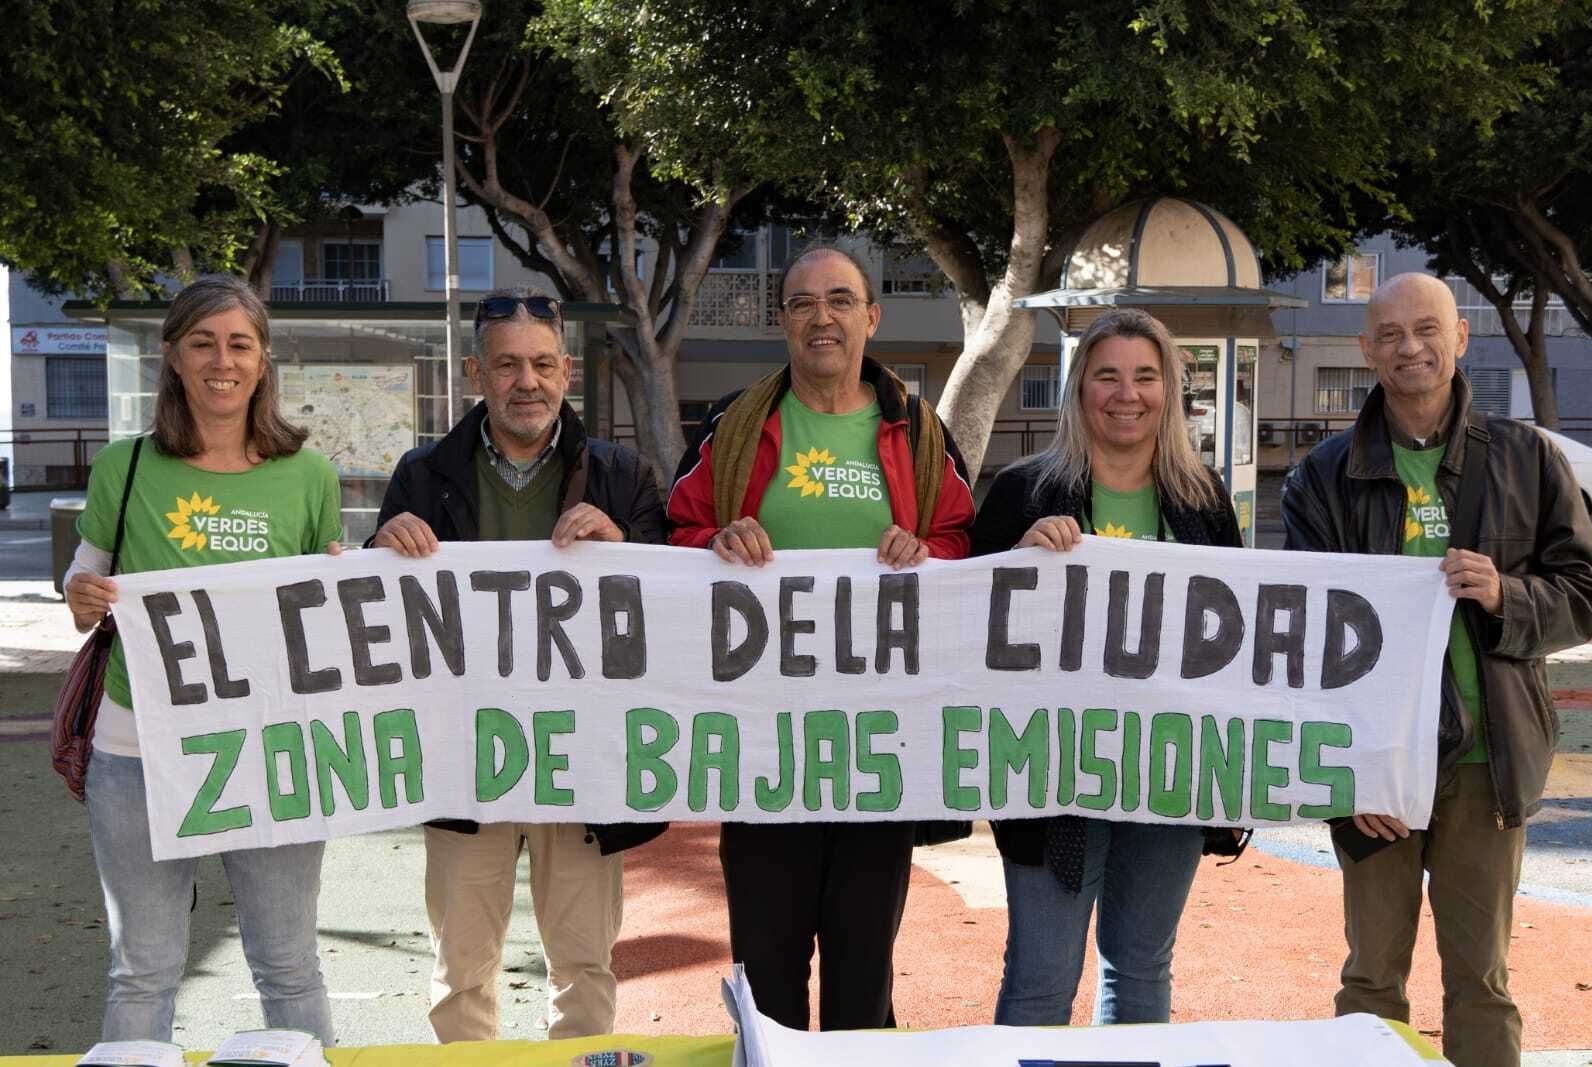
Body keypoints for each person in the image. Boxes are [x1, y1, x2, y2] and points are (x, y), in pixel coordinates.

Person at [1281, 272, 1592, 1067]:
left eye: (1427, 329)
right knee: (1371, 976)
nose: (1409, 347)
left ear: (1460, 338)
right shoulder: (1322, 475)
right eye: (1388, 334)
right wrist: (1356, 770)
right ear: (1366, 350)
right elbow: (1306, 632)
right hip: (1375, 768)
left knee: (1481, 982)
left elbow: (1587, 594)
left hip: (1488, 762)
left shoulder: (1528, 459)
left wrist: (1507, 594)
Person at [666, 244, 975, 1030]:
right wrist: (715, 543)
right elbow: (671, 534)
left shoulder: (920, 433)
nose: (821, 316)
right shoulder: (737, 426)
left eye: (840, 299)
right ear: (782, 322)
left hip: (878, 750)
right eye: (802, 302)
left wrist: (926, 552)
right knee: (765, 973)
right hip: (763, 748)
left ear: (872, 317)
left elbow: (966, 548)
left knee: (863, 972)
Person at [369, 286, 667, 1042]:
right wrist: (380, 553)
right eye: (506, 365)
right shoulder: (422, 474)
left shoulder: (623, 475)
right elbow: (380, 612)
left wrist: (626, 548)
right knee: (462, 964)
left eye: (540, 363)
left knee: (584, 960)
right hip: (464, 755)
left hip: (583, 755)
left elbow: (675, 597)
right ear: (476, 372)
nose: (525, 381)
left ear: (567, 369)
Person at [63, 275, 342, 1044]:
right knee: (143, 966)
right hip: (138, 750)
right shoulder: (125, 467)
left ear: (263, 361)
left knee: (288, 964)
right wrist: (79, 593)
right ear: (173, 358)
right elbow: (84, 573)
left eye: (239, 344)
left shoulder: (309, 474)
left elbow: (331, 598)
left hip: (273, 748)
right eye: (203, 342)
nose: (223, 360)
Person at [970, 307, 1242, 1027]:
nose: (1128, 394)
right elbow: (962, 625)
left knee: (1142, 961)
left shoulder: (1203, 498)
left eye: (1146, 376)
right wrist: (1015, 561)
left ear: (1170, 390)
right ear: (1079, 388)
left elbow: (1241, 639)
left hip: (1170, 769)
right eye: (1108, 376)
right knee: (1041, 974)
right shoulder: (1022, 492)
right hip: (1049, 773)